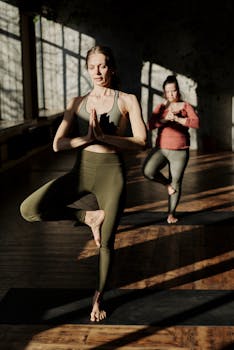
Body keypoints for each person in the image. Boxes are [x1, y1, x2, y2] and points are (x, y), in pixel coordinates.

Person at [20, 45, 147, 322]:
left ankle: (98, 298)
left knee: (107, 244)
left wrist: (105, 137)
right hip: (82, 170)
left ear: (111, 67)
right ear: (87, 69)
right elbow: (58, 144)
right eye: (92, 66)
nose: (97, 71)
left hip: (111, 175)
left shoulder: (127, 99)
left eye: (102, 66)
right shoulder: (76, 102)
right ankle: (88, 216)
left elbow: (142, 140)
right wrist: (88, 139)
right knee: (29, 210)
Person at [142, 75, 199, 224]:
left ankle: (171, 214)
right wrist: (165, 119)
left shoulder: (185, 106)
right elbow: (150, 125)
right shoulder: (161, 107)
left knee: (177, 182)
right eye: (168, 92)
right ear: (164, 93)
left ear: (178, 91)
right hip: (161, 148)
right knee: (148, 171)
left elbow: (196, 123)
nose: (171, 95)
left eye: (173, 91)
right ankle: (167, 185)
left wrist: (179, 119)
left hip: (180, 151)